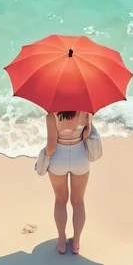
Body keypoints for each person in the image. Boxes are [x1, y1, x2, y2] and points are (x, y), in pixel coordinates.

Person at [44, 109, 92, 254]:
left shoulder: (51, 116)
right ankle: (76, 243)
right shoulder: (86, 113)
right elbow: (86, 137)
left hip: (59, 159)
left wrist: (44, 155)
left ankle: (61, 242)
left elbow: (51, 147)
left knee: (60, 201)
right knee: (78, 202)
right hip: (80, 158)